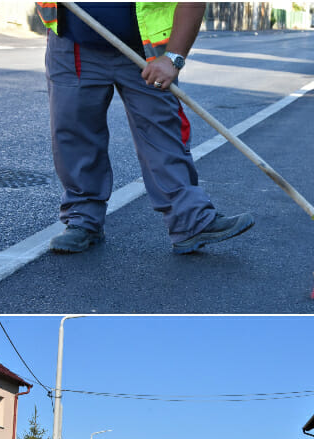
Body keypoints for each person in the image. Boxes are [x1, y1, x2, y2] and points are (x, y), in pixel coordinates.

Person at [37, 2, 254, 254]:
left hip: (145, 51)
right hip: (73, 45)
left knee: (161, 133)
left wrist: (173, 58)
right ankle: (82, 219)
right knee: (73, 131)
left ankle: (191, 221)